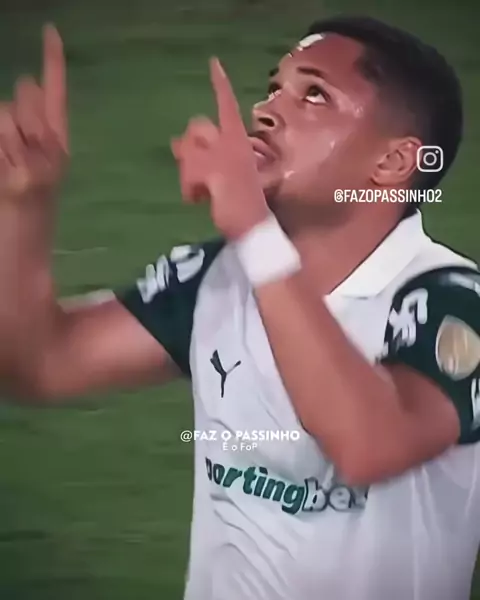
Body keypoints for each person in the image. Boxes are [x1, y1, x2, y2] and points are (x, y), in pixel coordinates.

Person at [0, 14, 479, 600]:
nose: (265, 110)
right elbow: (38, 365)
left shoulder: (451, 301)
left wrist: (254, 229)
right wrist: (23, 208)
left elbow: (369, 446)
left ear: (393, 163)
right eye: (275, 87)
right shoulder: (217, 278)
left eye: (315, 95)